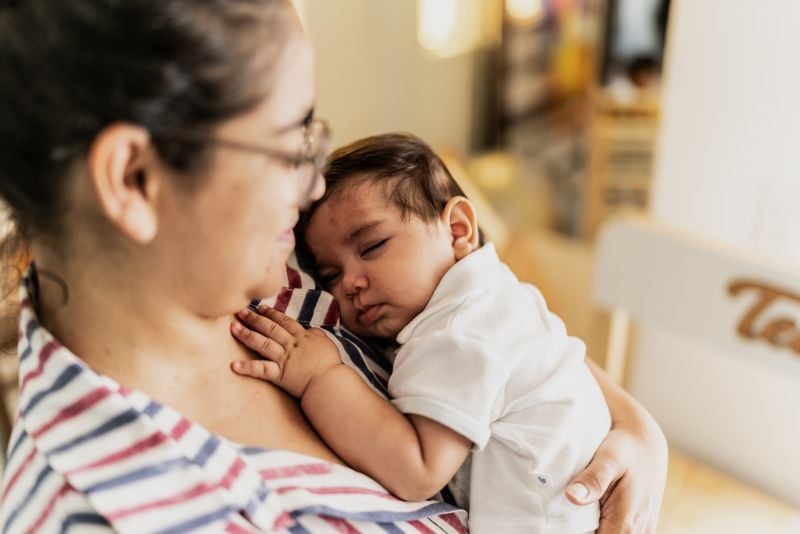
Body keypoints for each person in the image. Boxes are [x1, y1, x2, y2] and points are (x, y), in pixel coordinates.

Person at [0, 1, 667, 532]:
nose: (314, 185)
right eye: (291, 142)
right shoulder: (103, 509)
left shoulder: (278, 267)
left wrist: (634, 427)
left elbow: (498, 336)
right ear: (136, 179)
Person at [231, 133, 613, 533]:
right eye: (331, 275)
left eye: (373, 245)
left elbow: (417, 470)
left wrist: (320, 376)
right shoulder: (495, 295)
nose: (350, 284)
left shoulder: (459, 327)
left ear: (459, 229)